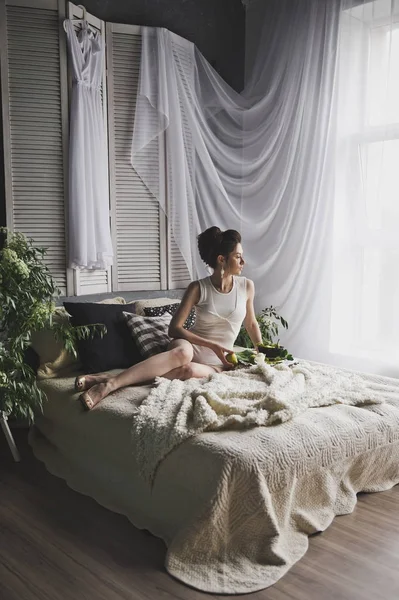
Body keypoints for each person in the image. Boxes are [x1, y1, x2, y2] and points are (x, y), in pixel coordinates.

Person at [77, 226, 263, 410]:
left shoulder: (246, 286)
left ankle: (110, 378)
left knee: (188, 371)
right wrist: (212, 345)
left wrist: (262, 352)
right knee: (184, 355)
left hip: (220, 364)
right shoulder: (198, 288)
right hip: (190, 348)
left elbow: (251, 323)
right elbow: (174, 329)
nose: (243, 261)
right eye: (238, 256)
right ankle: (108, 386)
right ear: (222, 259)